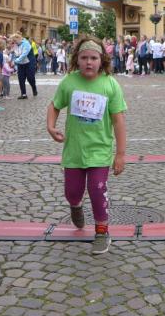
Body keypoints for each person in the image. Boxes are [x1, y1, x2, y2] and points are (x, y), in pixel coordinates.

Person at [46, 36, 127, 255]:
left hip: (100, 150)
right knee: (72, 192)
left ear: (102, 60)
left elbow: (118, 120)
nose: (88, 62)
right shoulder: (69, 82)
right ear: (77, 60)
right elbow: (54, 105)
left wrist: (120, 154)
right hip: (74, 150)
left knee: (97, 190)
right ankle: (75, 206)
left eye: (93, 58)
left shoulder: (110, 84)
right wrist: (51, 127)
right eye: (84, 58)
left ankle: (102, 232)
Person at [12, 33, 37, 99]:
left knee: (30, 78)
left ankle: (34, 87)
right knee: (21, 78)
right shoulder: (15, 45)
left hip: (29, 62)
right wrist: (14, 60)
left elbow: (24, 54)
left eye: (15, 41)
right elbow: (15, 54)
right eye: (13, 41)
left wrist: (15, 61)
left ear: (19, 38)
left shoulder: (26, 43)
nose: (14, 42)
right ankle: (23, 94)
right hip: (21, 63)